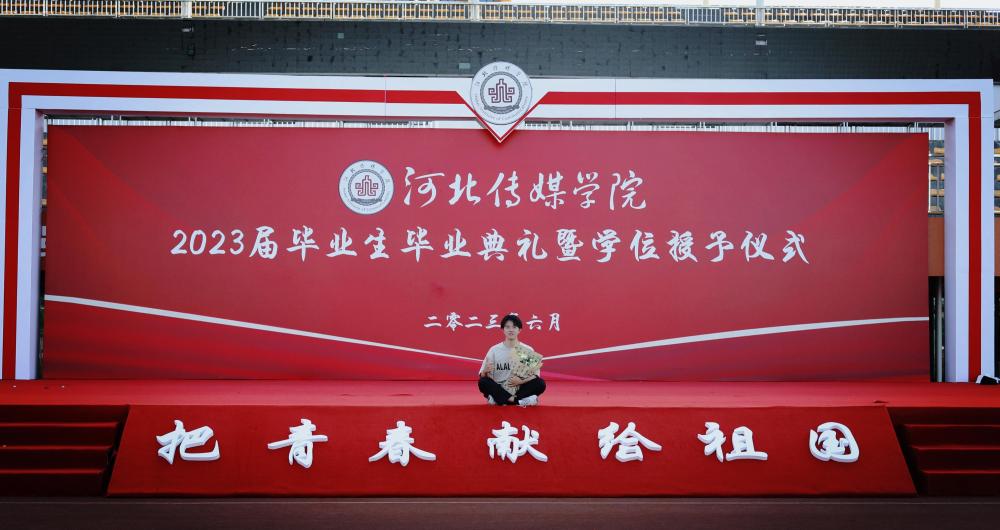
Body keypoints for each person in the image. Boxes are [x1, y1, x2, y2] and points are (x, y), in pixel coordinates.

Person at [477, 314, 546, 406]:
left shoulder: (526, 350)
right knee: (483, 382)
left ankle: (500, 400)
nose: (511, 330)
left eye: (514, 327)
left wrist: (520, 381)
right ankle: (518, 400)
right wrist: (485, 371)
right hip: (500, 387)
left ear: (519, 330)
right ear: (503, 330)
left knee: (540, 383)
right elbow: (483, 375)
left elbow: (535, 375)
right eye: (507, 327)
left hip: (519, 387)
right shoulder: (494, 350)